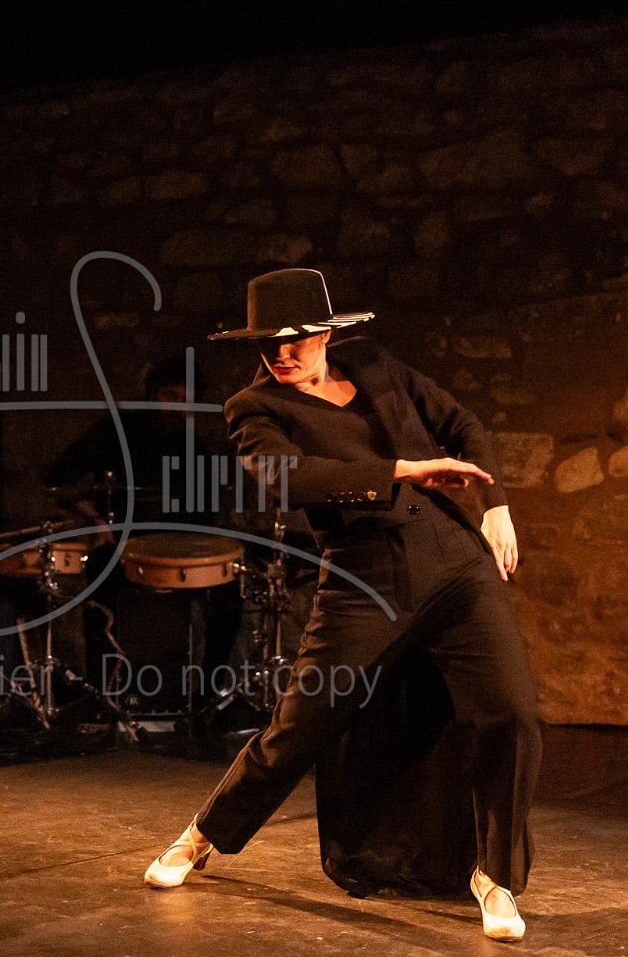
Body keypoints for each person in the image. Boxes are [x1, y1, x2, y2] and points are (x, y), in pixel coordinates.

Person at [142, 269, 542, 943]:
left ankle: (494, 876)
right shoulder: (255, 407)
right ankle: (204, 834)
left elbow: (461, 423)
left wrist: (495, 503)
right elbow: (287, 476)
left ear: (326, 334)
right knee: (300, 725)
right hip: (364, 578)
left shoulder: (377, 365)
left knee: (513, 713)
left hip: (455, 563)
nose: (282, 353)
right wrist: (401, 471)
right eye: (269, 342)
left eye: (296, 339)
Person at [45, 355, 241, 697]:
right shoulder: (115, 432)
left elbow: (207, 516)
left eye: (186, 400)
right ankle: (103, 693)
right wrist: (97, 523)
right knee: (100, 588)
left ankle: (208, 696)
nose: (177, 407)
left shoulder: (196, 448)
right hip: (122, 545)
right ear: (152, 394)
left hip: (177, 553)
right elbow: (59, 480)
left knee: (229, 596)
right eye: (170, 396)